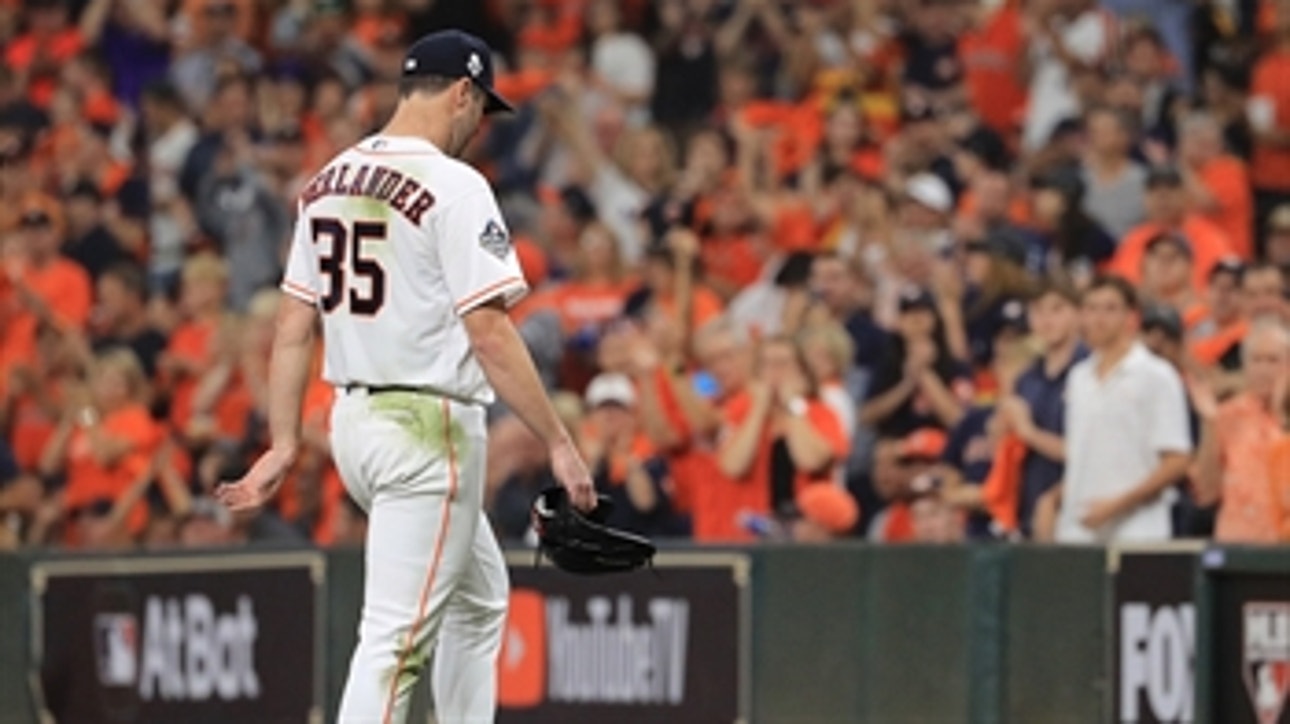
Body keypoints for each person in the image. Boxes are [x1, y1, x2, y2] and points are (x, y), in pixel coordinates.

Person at [214, 30, 595, 724]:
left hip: (358, 425)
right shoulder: (455, 185)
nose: (480, 125)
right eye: (481, 108)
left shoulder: (325, 180)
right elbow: (490, 332)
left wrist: (283, 440)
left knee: (479, 601)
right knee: (394, 642)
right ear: (461, 93)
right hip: (428, 432)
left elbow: (294, 326)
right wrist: (559, 440)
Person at [1055, 276, 1192, 543]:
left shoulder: (1156, 376)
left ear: (1131, 316)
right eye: (1091, 309)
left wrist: (1116, 505)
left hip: (1139, 529)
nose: (1098, 318)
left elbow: (1176, 460)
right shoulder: (1078, 377)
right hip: (1079, 528)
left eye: (1109, 309)